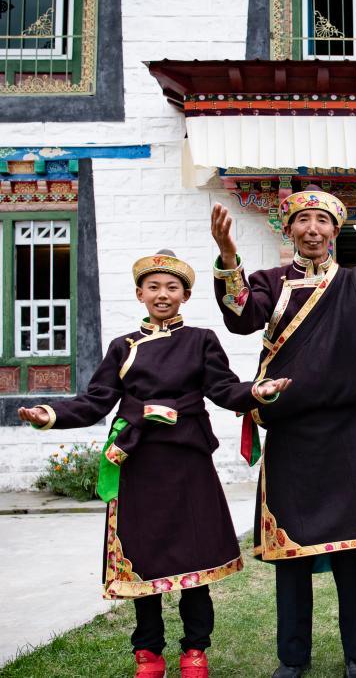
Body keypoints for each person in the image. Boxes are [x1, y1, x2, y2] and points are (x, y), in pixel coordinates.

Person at [19, 251, 290, 678]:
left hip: (187, 464)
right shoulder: (122, 347)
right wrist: (49, 414)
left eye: (172, 287)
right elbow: (95, 402)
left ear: (184, 295)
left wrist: (260, 391)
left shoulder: (201, 340)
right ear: (140, 294)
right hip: (140, 464)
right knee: (142, 559)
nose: (162, 295)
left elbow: (223, 389)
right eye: (154, 287)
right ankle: (147, 653)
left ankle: (195, 650)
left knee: (193, 561)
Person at [209, 180, 356, 678]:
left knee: (353, 554)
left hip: (349, 432)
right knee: (292, 554)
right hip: (291, 434)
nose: (312, 229)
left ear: (335, 230)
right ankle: (293, 657)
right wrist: (227, 258)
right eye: (302, 221)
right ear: (289, 229)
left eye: (322, 221)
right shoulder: (268, 282)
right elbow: (241, 317)